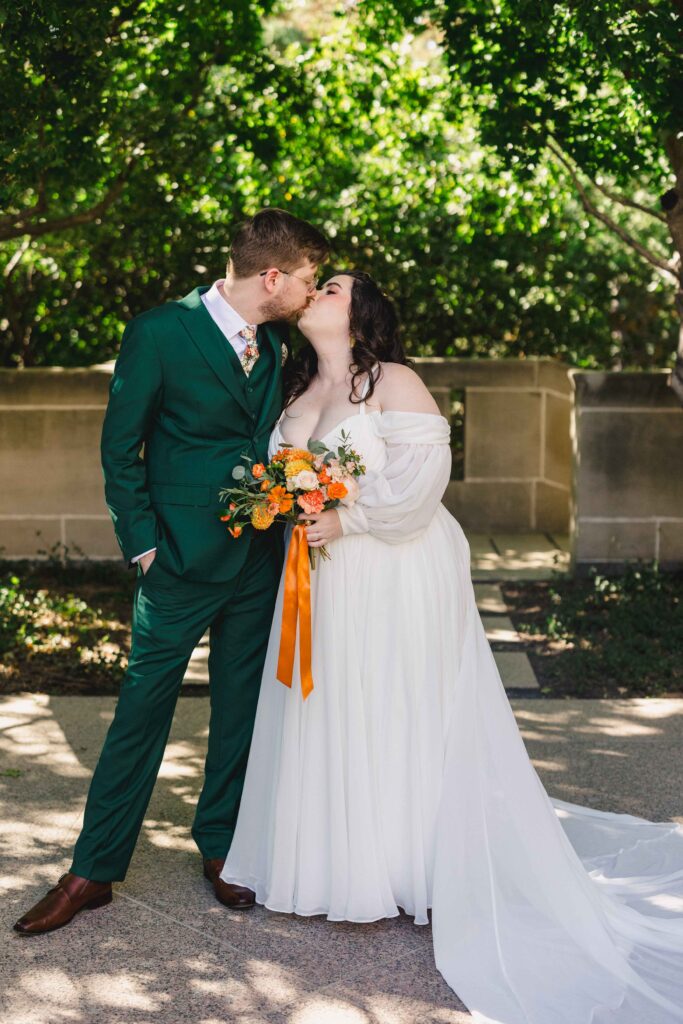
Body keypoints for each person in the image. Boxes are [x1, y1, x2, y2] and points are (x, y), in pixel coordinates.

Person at [220, 270, 683, 1024]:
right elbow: (286, 477)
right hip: (321, 580)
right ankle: (341, 866)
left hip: (395, 569)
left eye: (332, 288)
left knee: (395, 703)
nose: (318, 295)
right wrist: (288, 508)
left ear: (362, 316)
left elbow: (422, 480)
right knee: (333, 705)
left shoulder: (393, 381)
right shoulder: (296, 395)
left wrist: (350, 519)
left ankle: (411, 864)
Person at [13, 208, 330, 935]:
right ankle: (92, 869)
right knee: (140, 709)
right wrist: (145, 546)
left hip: (257, 557)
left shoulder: (279, 345)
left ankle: (220, 848)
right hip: (178, 561)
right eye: (307, 279)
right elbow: (119, 449)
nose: (310, 292)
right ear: (271, 276)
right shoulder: (158, 331)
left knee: (240, 708)